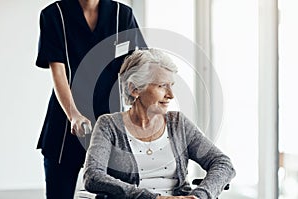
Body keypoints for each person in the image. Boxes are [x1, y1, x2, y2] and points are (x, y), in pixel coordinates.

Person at [83, 49, 236, 199]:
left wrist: (199, 196)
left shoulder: (178, 124)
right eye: (162, 85)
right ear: (134, 89)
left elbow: (223, 163)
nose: (170, 95)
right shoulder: (108, 126)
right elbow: (93, 176)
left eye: (171, 85)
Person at [35, 0, 146, 198]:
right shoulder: (54, 15)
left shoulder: (122, 14)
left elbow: (137, 64)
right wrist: (74, 115)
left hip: (111, 121)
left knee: (120, 192)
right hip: (66, 123)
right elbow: (58, 72)